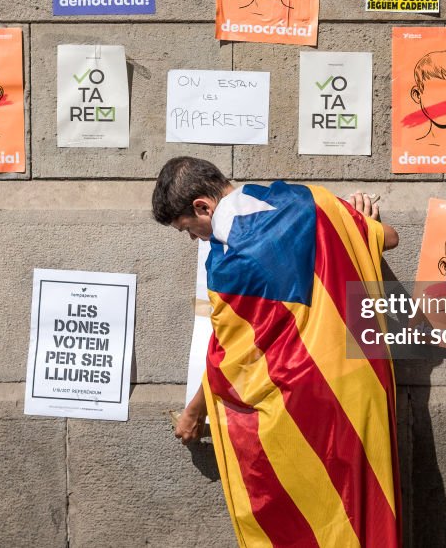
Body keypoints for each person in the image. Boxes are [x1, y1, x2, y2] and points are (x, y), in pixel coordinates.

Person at [153, 156, 402, 547]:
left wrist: (192, 412)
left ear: (203, 206)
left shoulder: (229, 264)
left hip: (302, 408)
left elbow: (226, 363)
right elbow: (388, 237)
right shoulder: (311, 201)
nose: (195, 239)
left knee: (308, 524)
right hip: (360, 387)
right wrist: (352, 221)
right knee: (365, 515)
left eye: (189, 229)